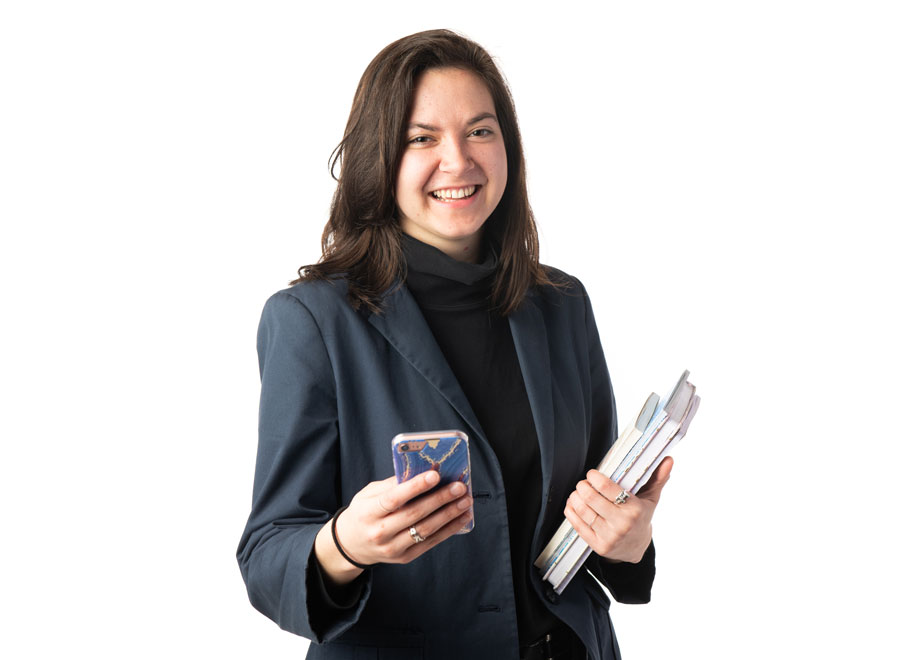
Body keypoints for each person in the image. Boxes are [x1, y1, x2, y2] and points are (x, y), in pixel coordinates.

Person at [237, 29, 674, 660]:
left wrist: (628, 542)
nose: (458, 160)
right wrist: (344, 545)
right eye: (422, 138)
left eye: (480, 131)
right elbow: (267, 553)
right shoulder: (312, 321)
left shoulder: (561, 305)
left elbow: (594, 512)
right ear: (379, 157)